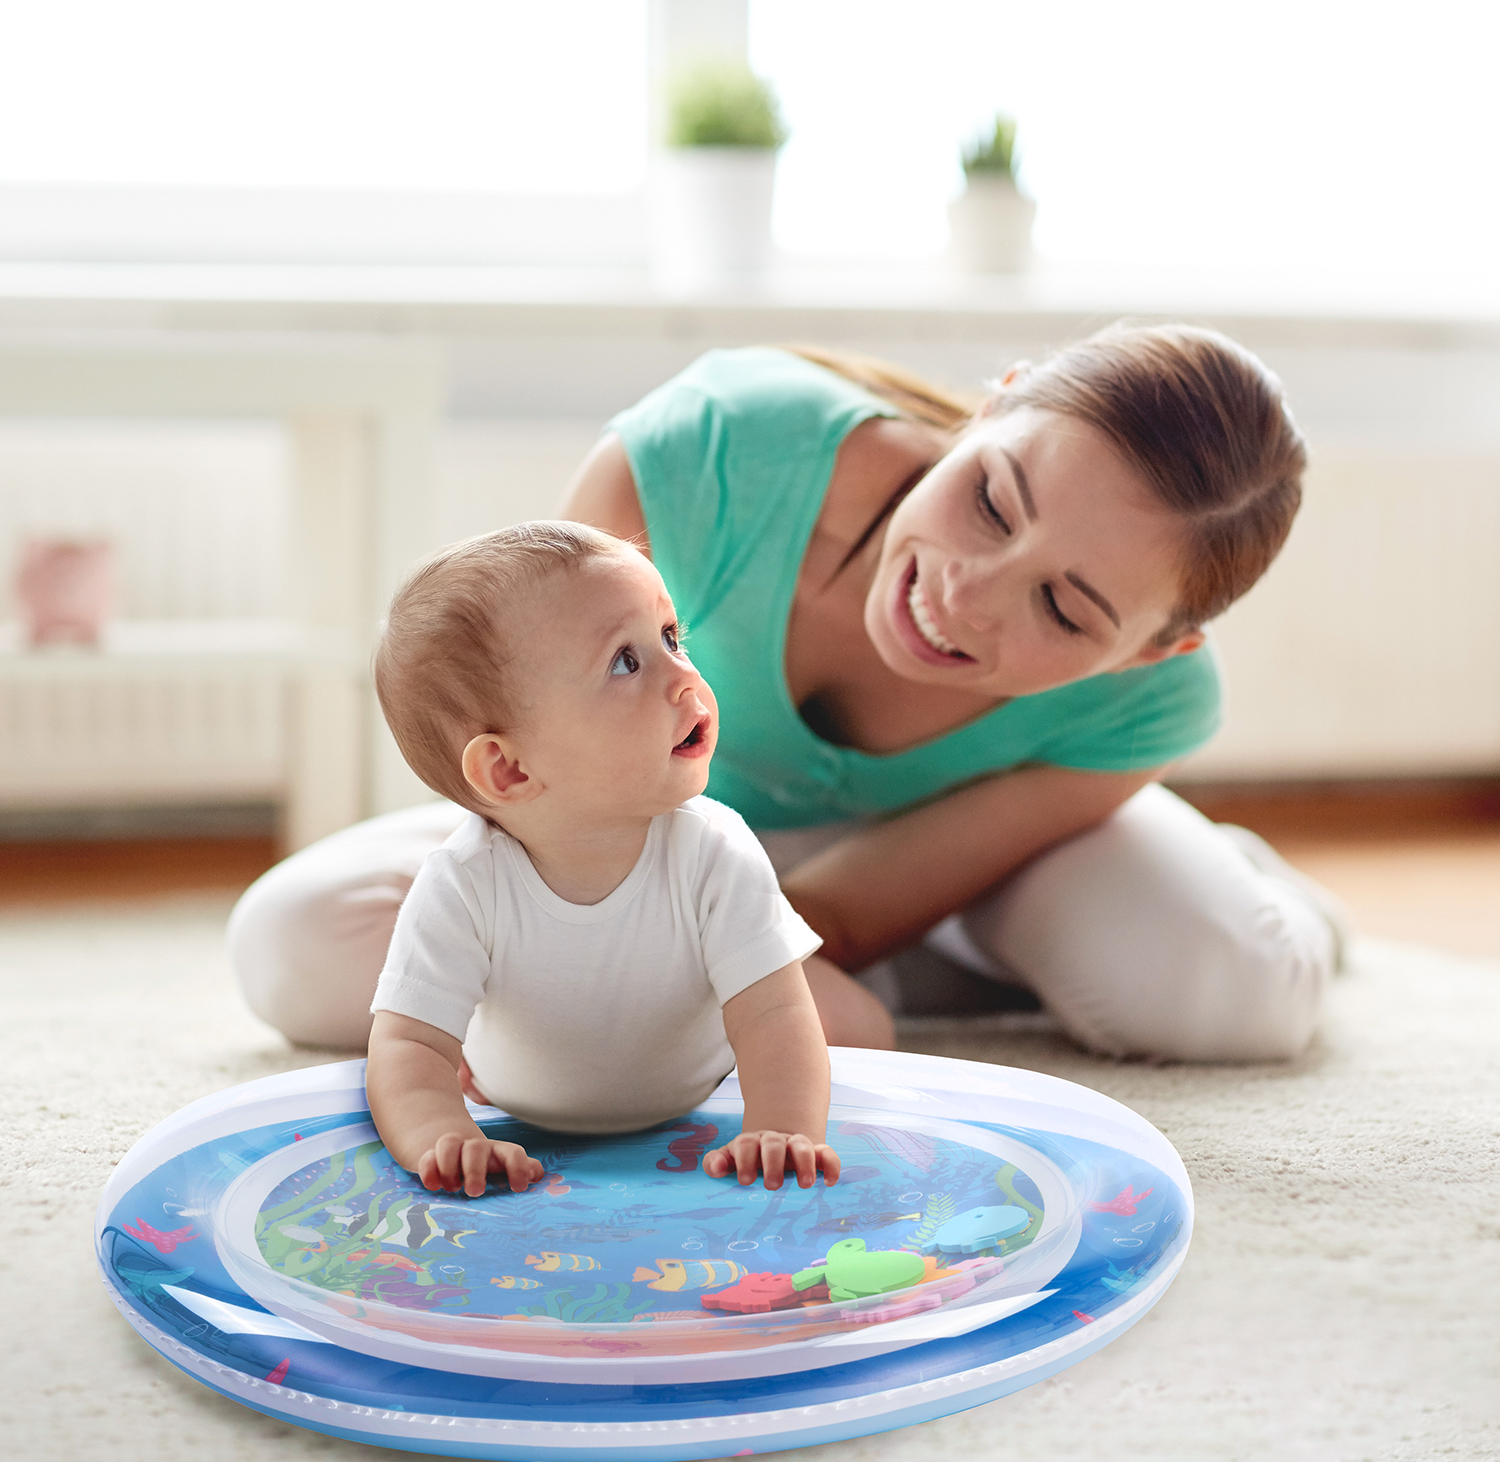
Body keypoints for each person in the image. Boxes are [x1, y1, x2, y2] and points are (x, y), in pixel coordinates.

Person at [229, 324, 1341, 1066]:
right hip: (641, 824)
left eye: (1065, 609)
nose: (966, 594)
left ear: (1156, 649)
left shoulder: (1151, 704)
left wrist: (684, 989)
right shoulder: (710, 452)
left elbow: (851, 916)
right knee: (299, 946)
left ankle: (1233, 886)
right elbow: (541, 750)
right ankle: (943, 977)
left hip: (956, 867)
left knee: (1235, 994)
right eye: (993, 503)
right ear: (989, 410)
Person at [362, 521, 841, 1195]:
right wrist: (445, 1137)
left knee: (837, 1024)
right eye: (626, 661)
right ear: (507, 770)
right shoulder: (463, 884)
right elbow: (410, 1047)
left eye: (672, 637)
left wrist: (781, 1127)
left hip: (692, 1090)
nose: (685, 678)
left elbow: (775, 1016)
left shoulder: (714, 848)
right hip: (517, 1106)